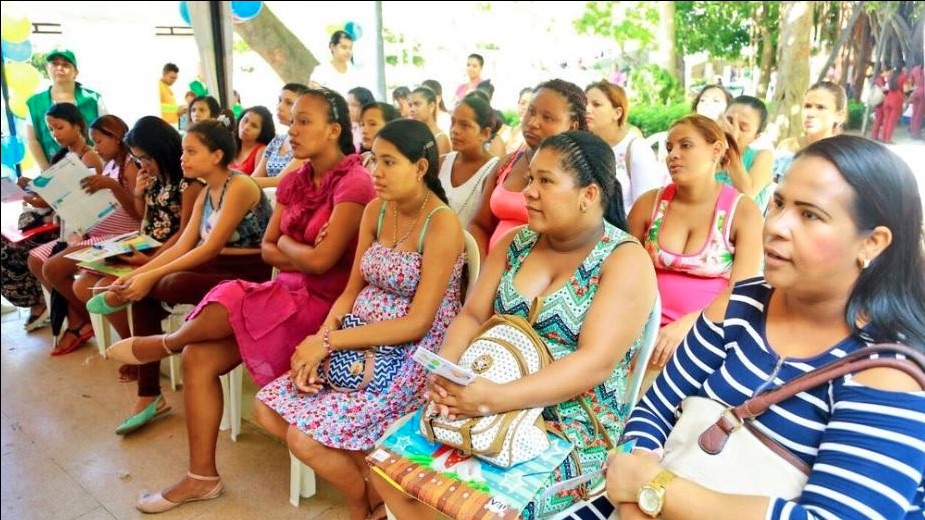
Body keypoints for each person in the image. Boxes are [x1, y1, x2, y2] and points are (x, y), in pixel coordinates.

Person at [607, 134, 925, 520]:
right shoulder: (741, 306)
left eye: (810, 215)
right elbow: (652, 411)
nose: (776, 225)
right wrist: (634, 490)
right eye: (778, 203)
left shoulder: (886, 374)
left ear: (872, 243)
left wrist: (651, 490)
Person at [101, 89, 376, 513]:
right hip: (284, 294)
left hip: (324, 310)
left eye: (305, 121)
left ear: (334, 130)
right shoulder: (294, 180)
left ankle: (164, 344)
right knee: (200, 355)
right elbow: (270, 247)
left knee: (227, 294)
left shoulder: (354, 182)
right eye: (293, 120)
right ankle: (201, 477)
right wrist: (294, 246)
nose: (292, 128)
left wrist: (291, 247)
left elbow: (323, 265)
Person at [374, 131, 658, 519]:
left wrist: (493, 398)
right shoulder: (516, 244)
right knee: (388, 471)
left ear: (588, 195)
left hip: (567, 425)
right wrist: (445, 373)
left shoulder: (623, 260)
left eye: (546, 181)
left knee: (484, 512)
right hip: (484, 400)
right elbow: (472, 315)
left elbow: (595, 362)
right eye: (529, 179)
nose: (529, 191)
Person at [254, 118, 465, 520]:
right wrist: (320, 339)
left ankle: (358, 503)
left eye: (389, 163)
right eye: (373, 161)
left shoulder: (441, 224)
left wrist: (329, 344)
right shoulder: (376, 211)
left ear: (420, 168)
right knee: (266, 409)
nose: (376, 173)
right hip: (353, 338)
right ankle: (372, 492)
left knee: (303, 437)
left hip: (407, 354)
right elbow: (351, 291)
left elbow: (418, 322)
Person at [100, 118, 273, 434]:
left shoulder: (241, 186)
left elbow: (208, 249)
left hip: (252, 274)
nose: (183, 159)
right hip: (219, 266)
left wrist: (152, 276)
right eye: (183, 151)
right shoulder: (207, 192)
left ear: (217, 155)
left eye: (191, 151)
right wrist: (139, 275)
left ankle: (165, 346)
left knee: (168, 283)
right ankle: (149, 393)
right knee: (147, 291)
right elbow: (183, 244)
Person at [628, 114, 763, 370]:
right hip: (638, 331)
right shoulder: (648, 205)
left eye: (685, 145)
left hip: (709, 334)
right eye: (669, 148)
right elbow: (622, 275)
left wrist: (689, 325)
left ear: (716, 150)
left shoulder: (742, 212)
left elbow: (741, 294)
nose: (673, 155)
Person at [76, 116, 201, 386]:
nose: (142, 165)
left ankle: (138, 350)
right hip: (145, 242)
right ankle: (130, 344)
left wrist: (152, 261)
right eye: (137, 160)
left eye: (145, 158)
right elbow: (143, 214)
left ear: (162, 150)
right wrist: (138, 192)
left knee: (108, 288)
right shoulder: (152, 177)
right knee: (84, 285)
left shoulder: (187, 183)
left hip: (167, 250)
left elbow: (185, 233)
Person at [28, 114, 141, 356]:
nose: (96, 148)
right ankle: (83, 318)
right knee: (36, 259)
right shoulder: (109, 164)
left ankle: (88, 320)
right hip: (94, 232)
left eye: (100, 142)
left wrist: (111, 186)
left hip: (119, 237)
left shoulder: (130, 165)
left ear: (117, 137)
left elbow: (137, 213)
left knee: (53, 268)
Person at [468, 78, 587, 258]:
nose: (533, 122)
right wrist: (484, 270)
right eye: (531, 112)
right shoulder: (506, 164)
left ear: (573, 125)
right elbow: (479, 224)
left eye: (547, 117)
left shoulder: (579, 176)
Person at [585, 80, 663, 213]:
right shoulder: (584, 146)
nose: (587, 110)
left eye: (596, 104)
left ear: (617, 113)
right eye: (584, 104)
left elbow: (647, 206)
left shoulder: (636, 148)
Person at [25, 49, 105, 171]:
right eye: (55, 64)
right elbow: (32, 140)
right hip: (53, 168)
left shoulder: (93, 99)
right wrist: (47, 171)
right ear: (47, 68)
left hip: (90, 165)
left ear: (76, 72)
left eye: (65, 64)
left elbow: (105, 135)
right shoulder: (35, 103)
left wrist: (100, 162)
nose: (59, 68)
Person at [438, 94, 499, 227]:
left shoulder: (493, 170)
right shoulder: (442, 163)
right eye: (453, 122)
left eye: (465, 125)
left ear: (485, 134)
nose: (454, 130)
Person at [776, 81, 846, 179]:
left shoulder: (844, 156)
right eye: (807, 106)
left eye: (820, 107)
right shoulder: (787, 147)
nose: (810, 114)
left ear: (839, 115)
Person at [718, 95, 774, 212]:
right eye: (729, 121)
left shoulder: (763, 156)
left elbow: (747, 196)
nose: (732, 129)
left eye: (742, 127)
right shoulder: (706, 153)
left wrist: (731, 146)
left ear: (756, 137)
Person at [252, 83, 309, 186]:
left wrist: (237, 181)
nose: (280, 107)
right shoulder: (277, 140)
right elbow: (256, 176)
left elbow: (281, 181)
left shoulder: (308, 143)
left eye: (288, 103)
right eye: (279, 100)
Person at [309, 30, 360, 97]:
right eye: (344, 47)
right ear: (332, 47)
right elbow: (312, 92)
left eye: (350, 48)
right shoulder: (321, 70)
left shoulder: (355, 74)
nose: (348, 52)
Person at [229, 105, 275, 175]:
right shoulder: (231, 145)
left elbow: (256, 182)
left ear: (262, 132)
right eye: (245, 120)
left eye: (254, 126)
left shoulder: (262, 151)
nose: (246, 127)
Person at [408, 86, 451, 156]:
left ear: (431, 106)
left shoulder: (440, 139)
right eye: (410, 105)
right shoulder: (411, 135)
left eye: (417, 104)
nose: (412, 109)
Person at [358, 101, 400, 171]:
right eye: (362, 124)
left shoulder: (398, 162)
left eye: (372, 124)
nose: (364, 131)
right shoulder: (363, 158)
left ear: (391, 126)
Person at [503, 86, 534, 154]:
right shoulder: (505, 130)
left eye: (530, 105)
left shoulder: (531, 138)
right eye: (522, 103)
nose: (525, 107)